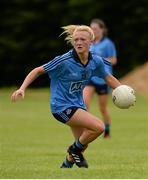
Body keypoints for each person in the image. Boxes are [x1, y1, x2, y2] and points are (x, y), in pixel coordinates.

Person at [11, 25, 121, 168]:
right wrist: (22, 88)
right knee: (98, 127)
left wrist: (123, 90)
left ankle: (65, 166)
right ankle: (73, 150)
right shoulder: (63, 61)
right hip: (61, 107)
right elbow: (37, 71)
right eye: (76, 40)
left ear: (91, 42)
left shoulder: (96, 61)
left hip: (77, 105)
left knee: (83, 143)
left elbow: (108, 77)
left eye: (82, 39)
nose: (79, 42)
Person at [83, 19, 117, 138]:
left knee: (102, 108)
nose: (94, 31)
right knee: (84, 104)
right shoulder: (89, 43)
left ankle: (107, 129)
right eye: (91, 29)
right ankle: (86, 129)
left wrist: (100, 61)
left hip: (103, 79)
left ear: (102, 29)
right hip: (89, 77)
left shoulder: (108, 43)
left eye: (96, 29)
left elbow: (113, 60)